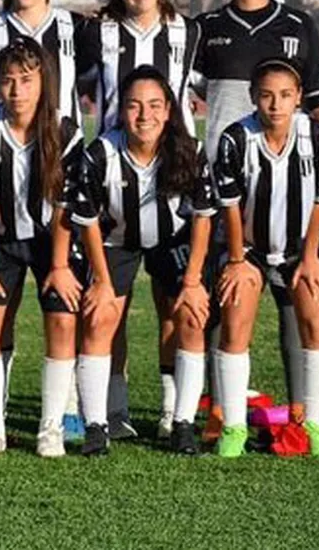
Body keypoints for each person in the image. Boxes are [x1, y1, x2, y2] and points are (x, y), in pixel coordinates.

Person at [193, 0, 319, 440]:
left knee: (293, 299)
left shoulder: (297, 24)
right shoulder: (206, 28)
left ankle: (299, 412)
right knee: (227, 296)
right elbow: (179, 92)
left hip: (288, 183)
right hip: (227, 186)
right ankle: (220, 412)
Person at [77, 0, 203, 441]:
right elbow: (69, 80)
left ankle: (176, 412)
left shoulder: (188, 32)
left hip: (172, 176)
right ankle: (114, 410)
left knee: (174, 307)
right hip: (114, 176)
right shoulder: (97, 33)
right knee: (113, 305)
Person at [69, 66, 215, 456]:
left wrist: (193, 281)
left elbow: (203, 217)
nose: (144, 115)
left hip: (174, 240)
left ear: (169, 110)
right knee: (99, 317)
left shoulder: (190, 151)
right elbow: (87, 223)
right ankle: (97, 425)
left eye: (154, 105)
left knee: (189, 315)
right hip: (115, 241)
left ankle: (181, 422)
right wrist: (100, 281)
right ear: (121, 111)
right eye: (134, 106)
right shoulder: (101, 153)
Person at [0, 38, 84, 458]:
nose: (17, 91)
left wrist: (61, 264)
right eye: (8, 81)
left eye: (26, 80)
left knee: (64, 320)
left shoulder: (65, 130)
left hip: (54, 241)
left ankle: (50, 427)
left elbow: (67, 203)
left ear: (43, 81)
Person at [213, 58, 319, 458]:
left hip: (303, 247)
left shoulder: (315, 135)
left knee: (315, 320)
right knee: (234, 322)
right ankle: (233, 428)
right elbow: (231, 207)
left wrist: (311, 256)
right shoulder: (235, 139)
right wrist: (236, 260)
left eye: (285, 96)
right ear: (253, 98)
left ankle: (316, 423)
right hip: (248, 248)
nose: (275, 105)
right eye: (266, 96)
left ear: (299, 97)